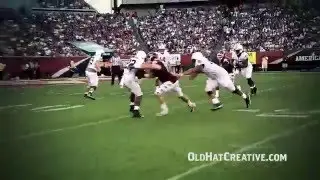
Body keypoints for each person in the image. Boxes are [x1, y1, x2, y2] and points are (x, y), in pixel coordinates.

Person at [179, 52, 251, 110]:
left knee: (232, 89)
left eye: (194, 60)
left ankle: (245, 96)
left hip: (220, 74)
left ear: (197, 58)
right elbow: (195, 72)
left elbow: (194, 70)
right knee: (208, 90)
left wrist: (182, 73)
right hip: (213, 77)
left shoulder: (201, 61)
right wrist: (191, 76)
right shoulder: (201, 63)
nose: (193, 62)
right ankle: (217, 103)